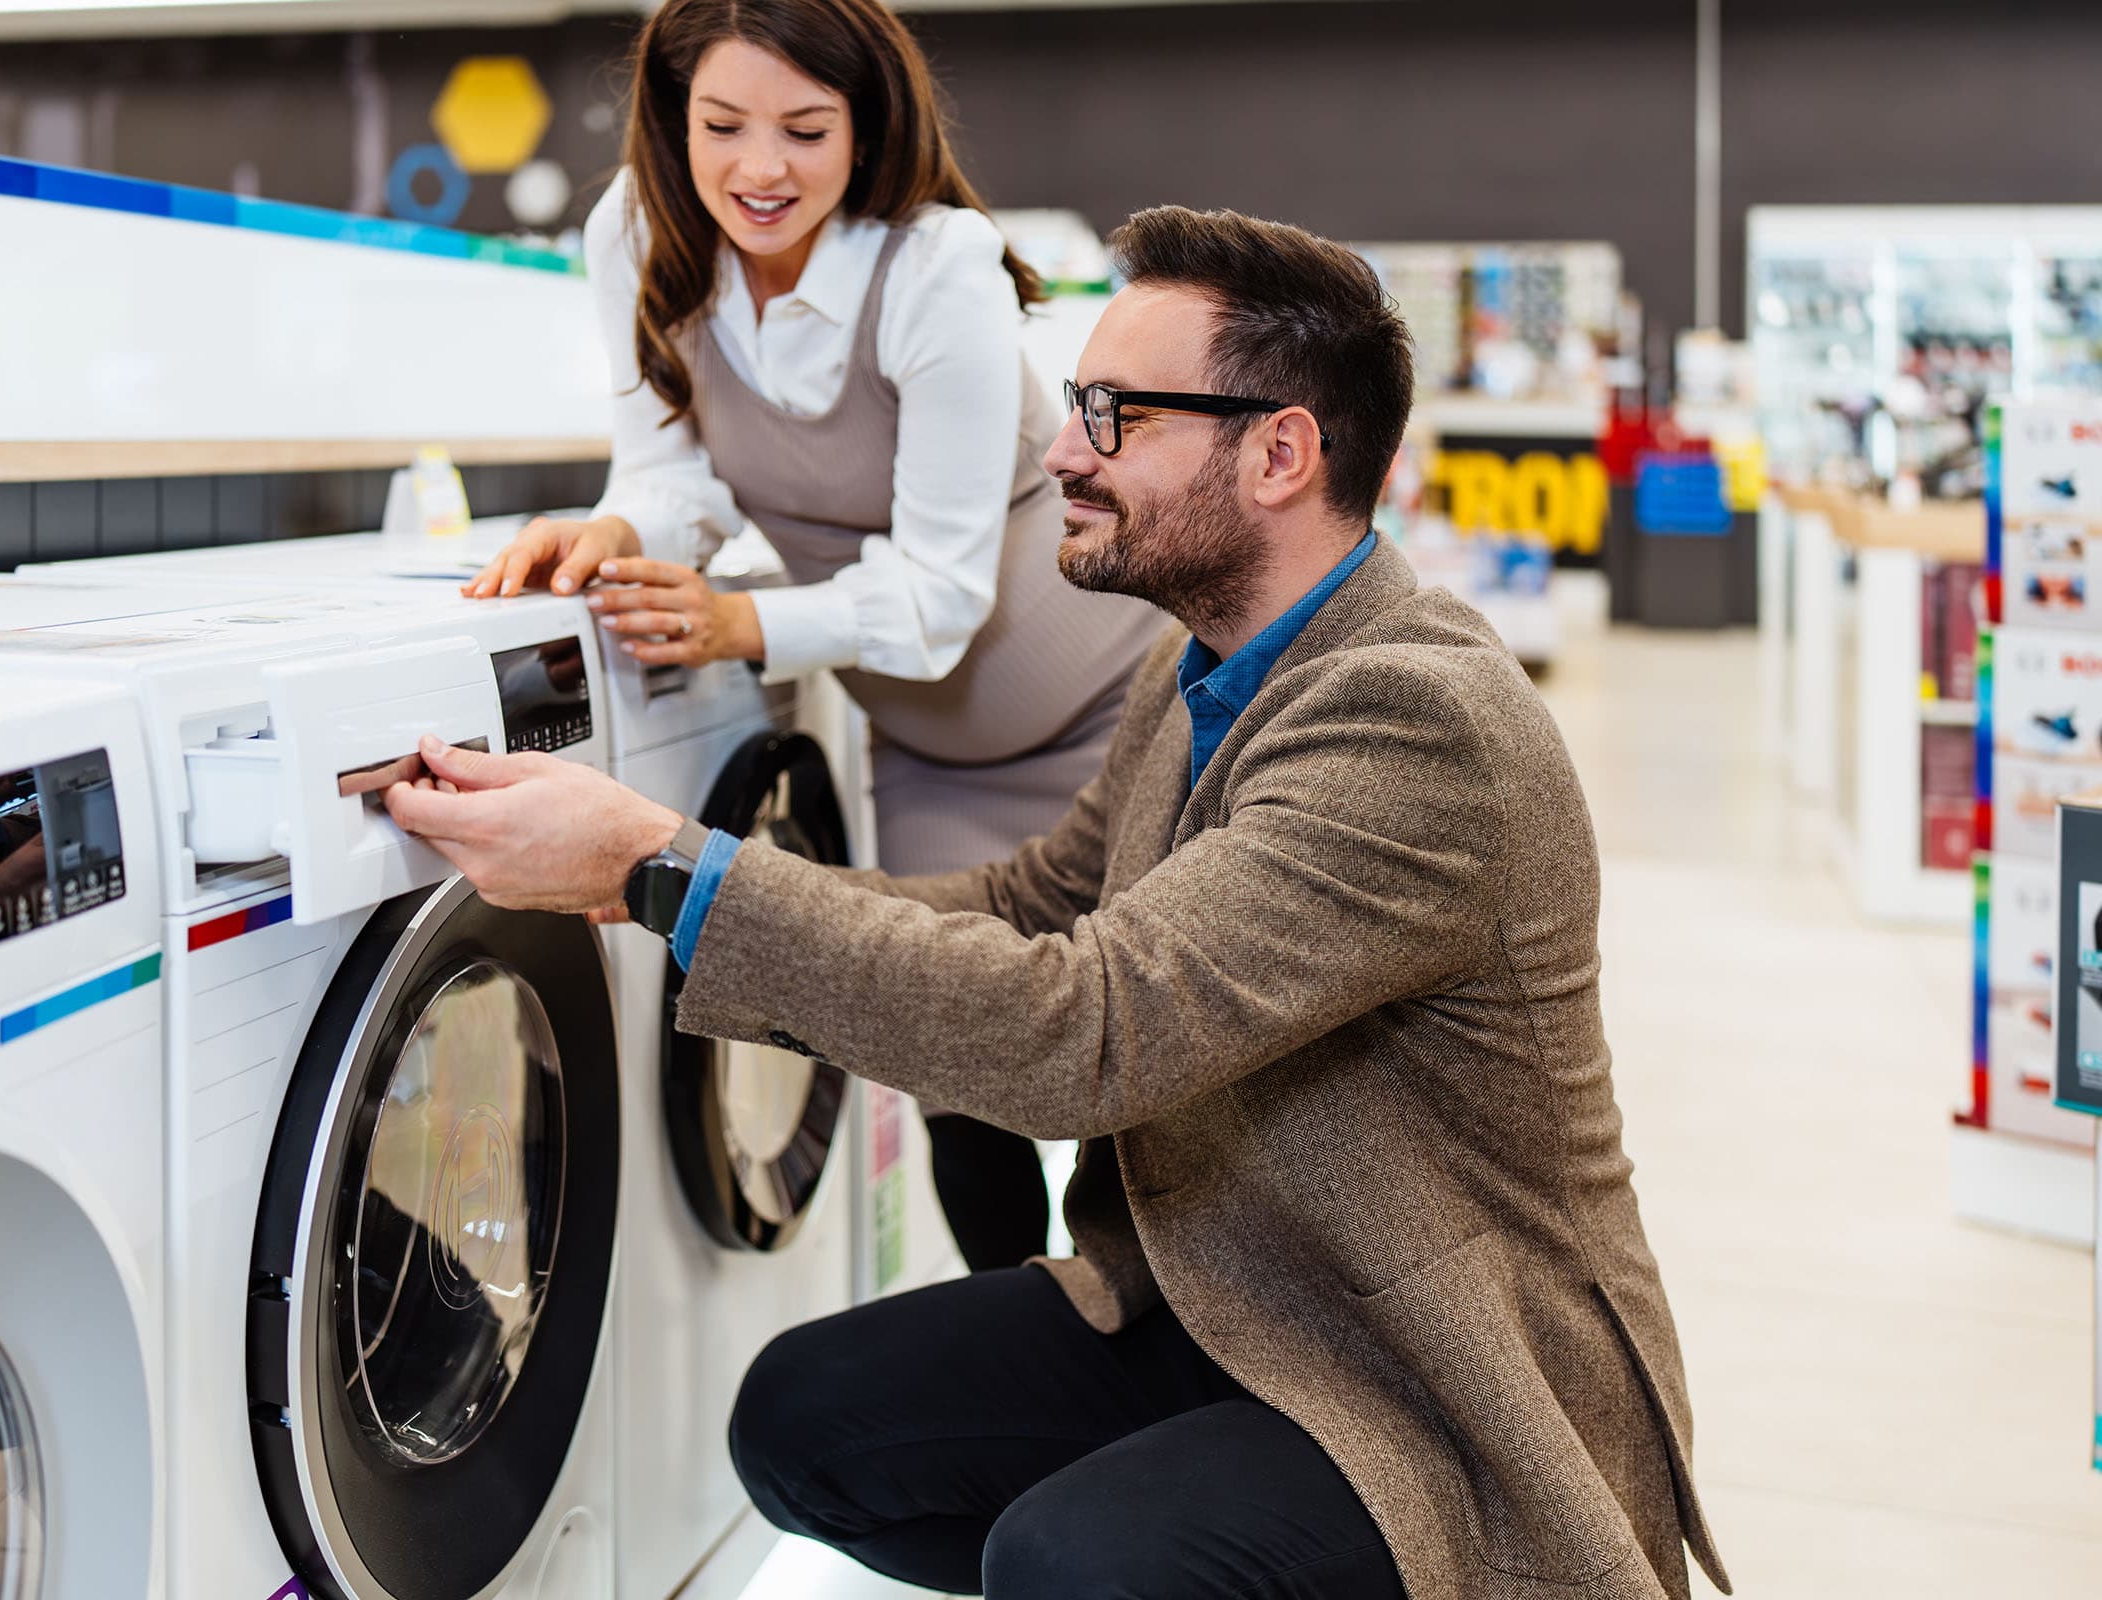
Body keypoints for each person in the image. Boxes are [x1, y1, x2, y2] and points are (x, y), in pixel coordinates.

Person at [396, 205, 1728, 1599]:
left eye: (1109, 414)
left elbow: (1083, 1033)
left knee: (1077, 1561)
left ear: (1280, 451)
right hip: (1225, 1293)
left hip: (1428, 1375)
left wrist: (660, 866)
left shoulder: (1412, 717)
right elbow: (1034, 905)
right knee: (805, 1425)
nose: (1058, 452)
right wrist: (663, 898)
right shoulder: (1204, 665)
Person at [462, 0, 1161, 1275]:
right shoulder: (635, 230)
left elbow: (941, 597)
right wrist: (622, 532)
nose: (758, 169)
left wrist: (736, 622)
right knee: (958, 1066)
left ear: (868, 122)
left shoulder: (933, 264)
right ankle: (1023, 1351)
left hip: (1111, 706)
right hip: (931, 743)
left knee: (1146, 1068)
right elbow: (670, 465)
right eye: (720, 126)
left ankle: (1149, 1366)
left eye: (804, 128)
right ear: (673, 120)